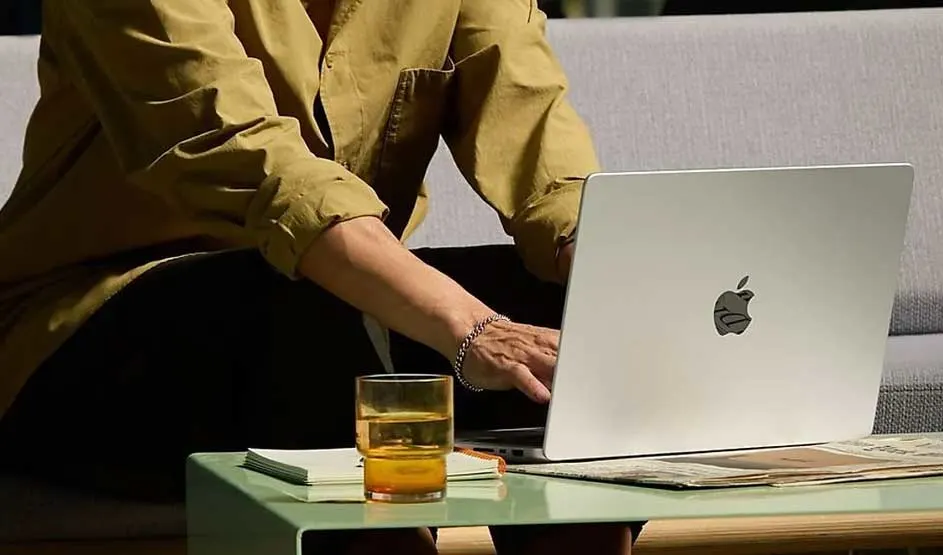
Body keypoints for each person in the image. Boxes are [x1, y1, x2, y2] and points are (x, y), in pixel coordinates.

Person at [0, 0, 645, 552]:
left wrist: (613, 280)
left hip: (334, 322)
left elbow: (535, 131)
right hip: (86, 338)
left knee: (580, 316)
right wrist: (471, 328)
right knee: (306, 320)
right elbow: (251, 156)